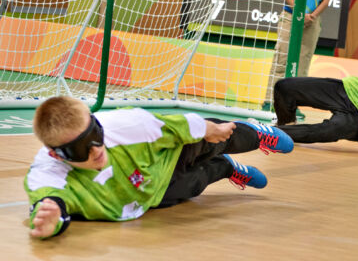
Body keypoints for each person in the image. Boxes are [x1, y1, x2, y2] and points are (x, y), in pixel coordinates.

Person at [24, 96, 294, 239]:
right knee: (200, 180)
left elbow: (178, 124)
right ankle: (227, 169)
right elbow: (49, 205)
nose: (96, 150)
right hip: (151, 194)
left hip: (166, 152)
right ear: (56, 154)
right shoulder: (47, 174)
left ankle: (257, 133)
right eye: (81, 148)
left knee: (214, 140)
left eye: (96, 135)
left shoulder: (126, 124)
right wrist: (52, 221)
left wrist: (213, 130)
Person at [265, 0, 333, 104]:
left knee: (302, 64)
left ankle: (294, 105)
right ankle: (270, 101)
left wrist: (312, 16)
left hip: (312, 22)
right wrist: (300, 13)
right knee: (281, 59)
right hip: (290, 18)